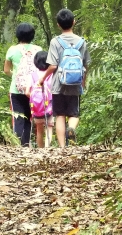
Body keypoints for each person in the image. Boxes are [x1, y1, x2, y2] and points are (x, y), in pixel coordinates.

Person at [38, 9, 90, 148]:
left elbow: (53, 65)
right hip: (76, 84)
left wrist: (43, 78)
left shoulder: (55, 42)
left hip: (58, 85)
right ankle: (71, 128)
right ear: (74, 22)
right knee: (74, 113)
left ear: (58, 25)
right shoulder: (82, 42)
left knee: (60, 115)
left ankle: (62, 148)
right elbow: (85, 65)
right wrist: (83, 82)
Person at [3, 23, 41, 147]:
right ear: (32, 35)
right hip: (33, 90)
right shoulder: (38, 49)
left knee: (18, 118)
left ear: (18, 34)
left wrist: (15, 76)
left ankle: (16, 145)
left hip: (16, 89)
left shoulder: (12, 50)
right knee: (29, 118)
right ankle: (26, 145)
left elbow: (6, 70)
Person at [26, 51, 54, 149]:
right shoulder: (51, 74)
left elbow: (27, 92)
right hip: (49, 106)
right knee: (49, 127)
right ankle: (47, 148)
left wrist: (36, 100)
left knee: (39, 129)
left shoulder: (32, 75)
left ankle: (40, 150)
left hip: (36, 108)